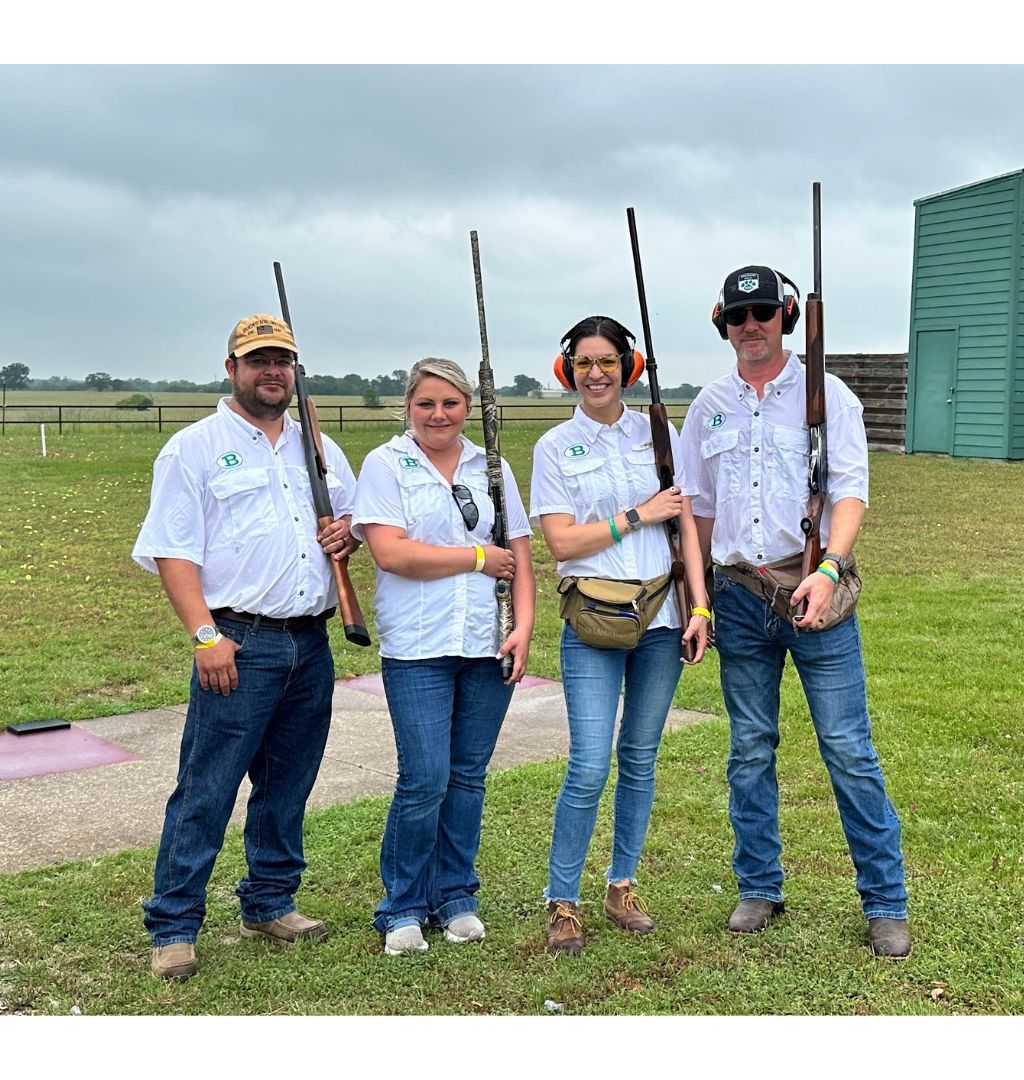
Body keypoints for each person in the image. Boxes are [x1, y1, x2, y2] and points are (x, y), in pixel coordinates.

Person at [682, 265, 911, 959]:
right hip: (739, 598)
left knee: (848, 749)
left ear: (787, 315)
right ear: (722, 323)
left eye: (762, 312)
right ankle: (759, 886)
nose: (750, 326)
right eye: (736, 316)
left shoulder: (827, 395)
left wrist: (829, 567)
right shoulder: (709, 405)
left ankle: (885, 901)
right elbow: (695, 511)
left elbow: (850, 491)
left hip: (816, 593)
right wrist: (699, 602)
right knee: (749, 750)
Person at [132, 314, 358, 981]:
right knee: (207, 788)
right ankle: (173, 927)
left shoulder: (317, 446)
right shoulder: (194, 449)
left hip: (309, 642)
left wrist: (349, 536)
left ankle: (269, 902)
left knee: (286, 785)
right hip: (238, 640)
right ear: (231, 369)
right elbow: (173, 551)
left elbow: (349, 524)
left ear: (295, 371)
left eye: (283, 361)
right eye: (258, 360)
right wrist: (206, 637)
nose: (272, 372)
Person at [530, 316, 710, 956]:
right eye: (584, 363)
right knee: (587, 765)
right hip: (593, 620)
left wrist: (701, 607)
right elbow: (561, 541)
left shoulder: (663, 434)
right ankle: (563, 900)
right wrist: (638, 514)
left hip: (661, 618)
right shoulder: (553, 447)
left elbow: (686, 526)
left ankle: (621, 885)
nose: (597, 373)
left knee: (639, 758)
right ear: (568, 370)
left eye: (608, 361)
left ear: (628, 368)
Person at [351, 358, 535, 956]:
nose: (439, 414)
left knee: (466, 777)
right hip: (418, 646)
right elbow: (391, 552)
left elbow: (522, 554)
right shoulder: (386, 464)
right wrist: (476, 558)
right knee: (424, 777)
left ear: (467, 408)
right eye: (426, 403)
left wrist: (524, 628)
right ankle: (401, 905)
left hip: (488, 640)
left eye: (451, 403)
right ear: (409, 405)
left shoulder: (494, 466)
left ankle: (456, 895)